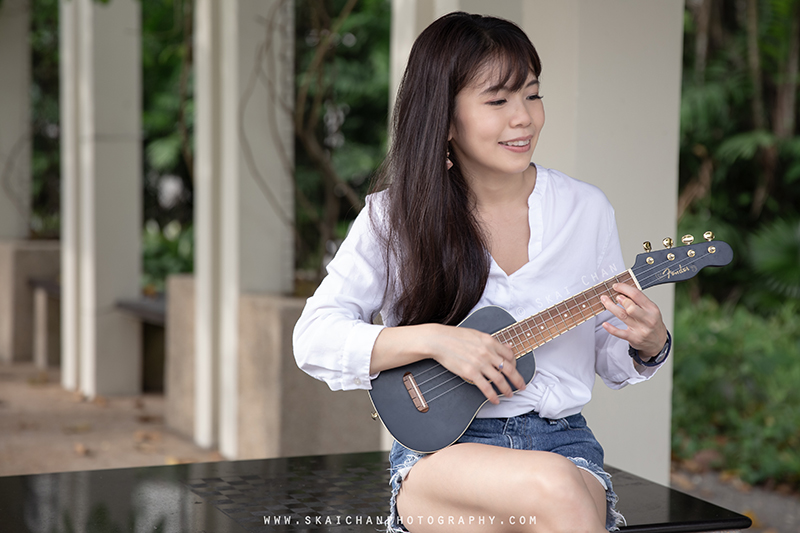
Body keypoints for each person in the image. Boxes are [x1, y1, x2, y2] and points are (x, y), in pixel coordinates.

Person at [293, 11, 670, 533]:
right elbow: (314, 338)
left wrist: (648, 343)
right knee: (556, 494)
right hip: (443, 457)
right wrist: (437, 341)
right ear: (445, 117)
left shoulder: (587, 211)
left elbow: (608, 359)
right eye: (497, 101)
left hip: (564, 444)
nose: (524, 118)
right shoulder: (394, 215)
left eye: (532, 95)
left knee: (556, 489)